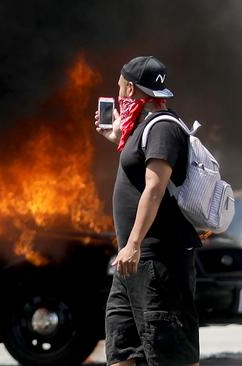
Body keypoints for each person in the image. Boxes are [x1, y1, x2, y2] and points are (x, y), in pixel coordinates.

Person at [94, 56, 202, 366]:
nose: (118, 94)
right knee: (122, 352)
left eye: (120, 87)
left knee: (170, 354)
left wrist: (134, 243)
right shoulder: (144, 128)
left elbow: (155, 188)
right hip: (133, 265)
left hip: (158, 261)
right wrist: (118, 138)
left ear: (130, 88)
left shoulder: (163, 127)